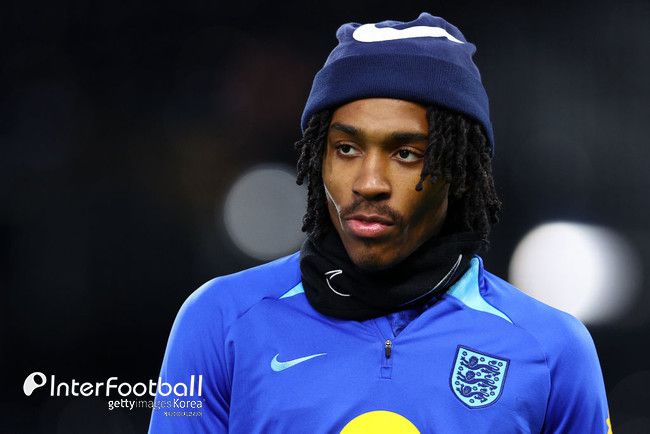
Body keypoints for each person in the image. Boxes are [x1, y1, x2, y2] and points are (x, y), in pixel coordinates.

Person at [149, 13, 611, 434]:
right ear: (318, 158)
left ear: (463, 173)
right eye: (346, 149)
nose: (369, 183)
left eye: (406, 153)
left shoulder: (551, 349)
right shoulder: (220, 320)